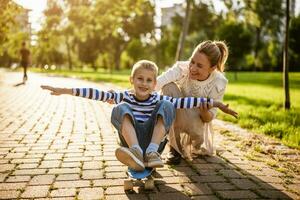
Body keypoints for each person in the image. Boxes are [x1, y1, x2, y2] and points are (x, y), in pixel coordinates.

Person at [41, 60, 237, 171]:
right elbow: (96, 94)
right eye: (140, 79)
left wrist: (218, 104)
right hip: (131, 142)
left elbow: (189, 102)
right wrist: (65, 90)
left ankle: (151, 152)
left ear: (154, 84)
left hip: (155, 143)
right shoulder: (125, 95)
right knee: (119, 108)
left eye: (149, 80)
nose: (144, 83)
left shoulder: (155, 98)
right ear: (132, 80)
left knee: (167, 105)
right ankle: (135, 151)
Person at [155, 40, 231, 164]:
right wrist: (130, 94)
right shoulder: (182, 68)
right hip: (179, 112)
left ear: (212, 68)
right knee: (168, 87)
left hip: (196, 123)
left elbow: (208, 118)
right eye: (192, 61)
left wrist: (204, 112)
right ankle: (174, 148)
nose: (193, 68)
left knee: (197, 135)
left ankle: (191, 144)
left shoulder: (218, 81)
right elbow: (156, 83)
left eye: (199, 66)